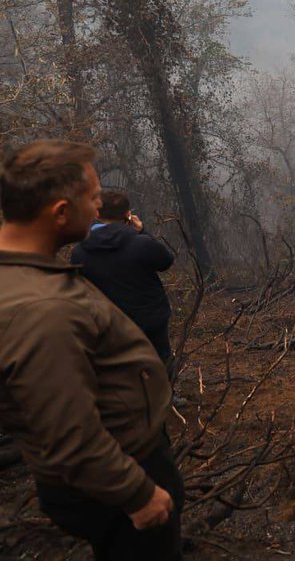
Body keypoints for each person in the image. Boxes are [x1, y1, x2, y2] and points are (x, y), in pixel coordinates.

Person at [0, 140, 181, 560]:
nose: (99, 208)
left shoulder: (29, 274)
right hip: (120, 481)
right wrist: (139, 494)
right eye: (93, 197)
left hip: (111, 469)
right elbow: (70, 437)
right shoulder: (41, 310)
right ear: (61, 212)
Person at [70, 190, 175, 366]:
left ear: (96, 213)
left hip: (107, 326)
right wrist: (142, 232)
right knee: (159, 367)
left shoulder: (80, 252)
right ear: (128, 214)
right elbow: (165, 262)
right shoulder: (141, 243)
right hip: (150, 322)